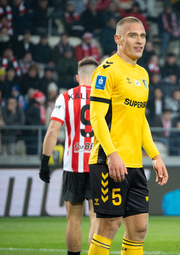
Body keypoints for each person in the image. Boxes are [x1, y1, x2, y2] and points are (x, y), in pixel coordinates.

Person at [88, 16, 168, 255]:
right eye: (133, 35)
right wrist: (112, 154)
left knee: (139, 228)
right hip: (108, 160)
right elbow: (97, 117)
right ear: (118, 39)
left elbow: (140, 118)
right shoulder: (106, 71)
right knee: (109, 226)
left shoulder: (143, 74)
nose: (140, 41)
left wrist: (155, 155)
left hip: (135, 163)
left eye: (142, 36)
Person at [39, 57, 99, 255]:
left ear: (77, 77)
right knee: (96, 218)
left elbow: (52, 131)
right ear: (98, 76)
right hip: (99, 165)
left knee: (73, 219)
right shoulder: (107, 97)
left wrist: (44, 162)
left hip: (73, 166)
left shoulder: (65, 97)